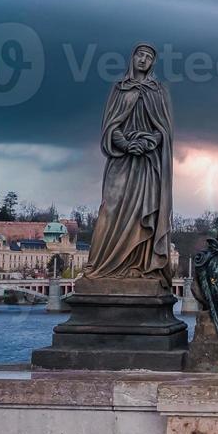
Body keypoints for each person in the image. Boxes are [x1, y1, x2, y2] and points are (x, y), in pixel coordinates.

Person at [80, 44, 175, 287]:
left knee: (146, 211)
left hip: (148, 163)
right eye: (139, 55)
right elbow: (109, 125)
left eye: (149, 57)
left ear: (153, 63)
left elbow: (165, 129)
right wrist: (124, 144)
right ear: (132, 58)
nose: (143, 60)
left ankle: (141, 266)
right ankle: (101, 266)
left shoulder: (159, 91)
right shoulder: (119, 89)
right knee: (109, 210)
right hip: (121, 159)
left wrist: (149, 141)